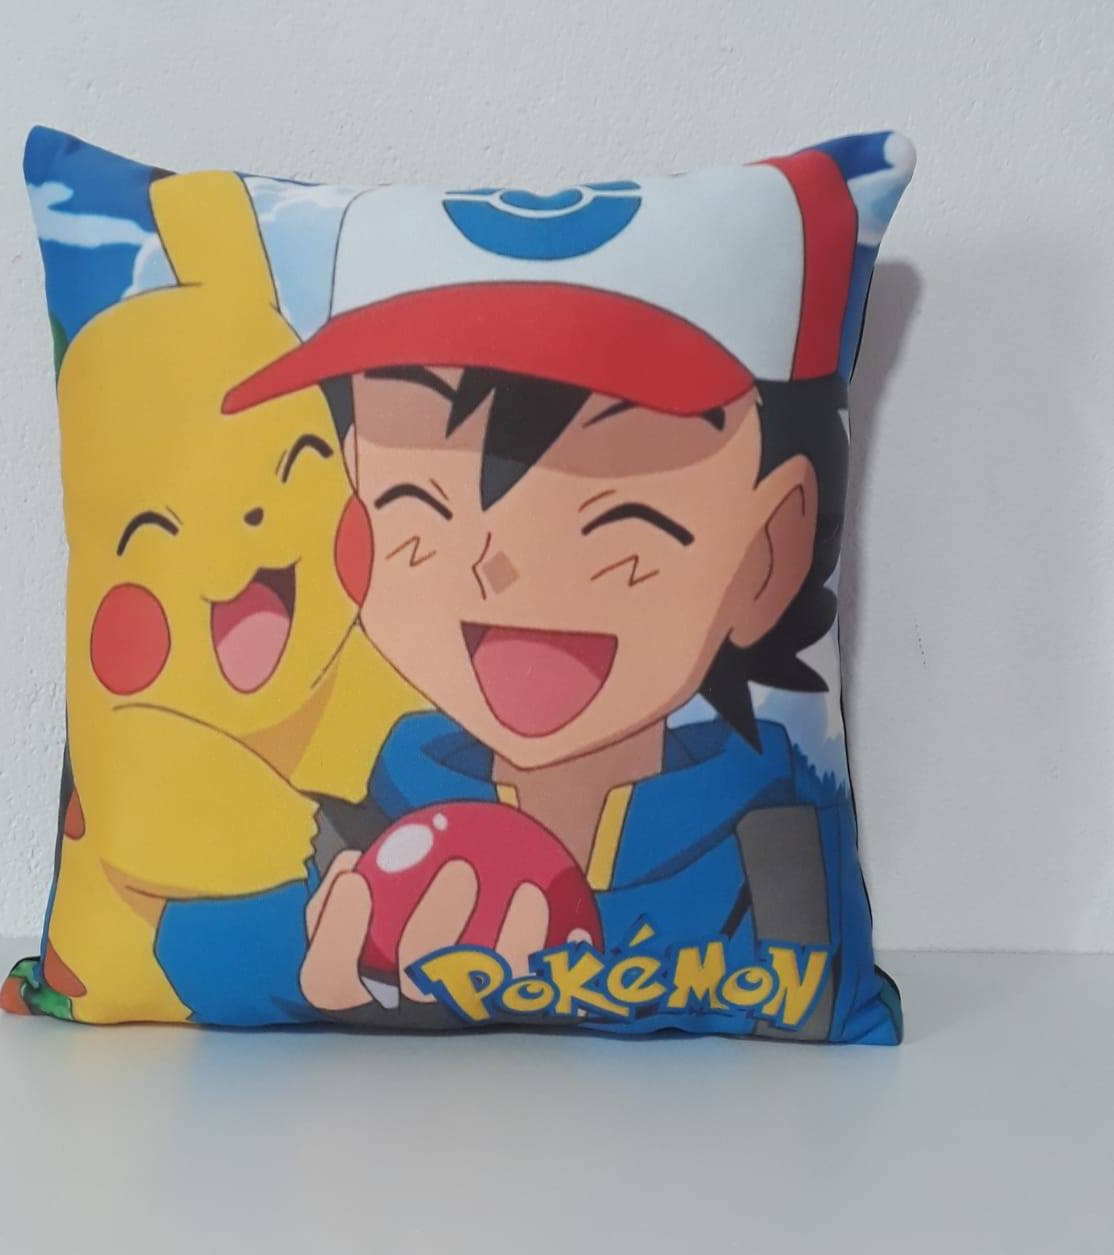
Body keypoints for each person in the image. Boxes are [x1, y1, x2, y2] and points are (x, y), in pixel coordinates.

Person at [160, 151, 901, 1042]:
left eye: (617, 513)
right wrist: (319, 960)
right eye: (422, 501)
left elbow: (803, 981)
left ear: (772, 547)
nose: (499, 567)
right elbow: (182, 942)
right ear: (351, 523)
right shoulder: (363, 818)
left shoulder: (775, 837)